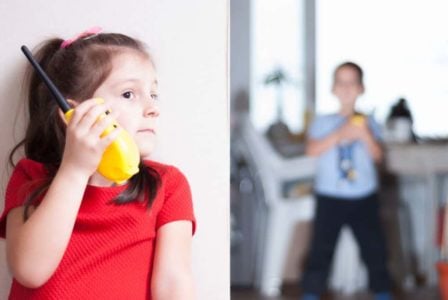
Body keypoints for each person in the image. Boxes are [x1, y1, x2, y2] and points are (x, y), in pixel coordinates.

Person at [0, 27, 196, 299]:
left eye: (153, 94)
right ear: (72, 114)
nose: (153, 108)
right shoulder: (31, 175)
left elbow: (174, 283)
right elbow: (29, 270)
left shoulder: (168, 185)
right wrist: (75, 170)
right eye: (129, 94)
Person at [301, 62, 391, 300]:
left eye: (352, 82)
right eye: (341, 82)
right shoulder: (323, 121)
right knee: (320, 249)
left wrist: (364, 134)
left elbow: (378, 155)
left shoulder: (369, 122)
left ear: (361, 88)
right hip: (329, 196)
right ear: (333, 88)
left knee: (375, 250)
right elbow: (311, 150)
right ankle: (310, 293)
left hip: (364, 197)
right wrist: (339, 134)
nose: (346, 88)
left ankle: (382, 292)